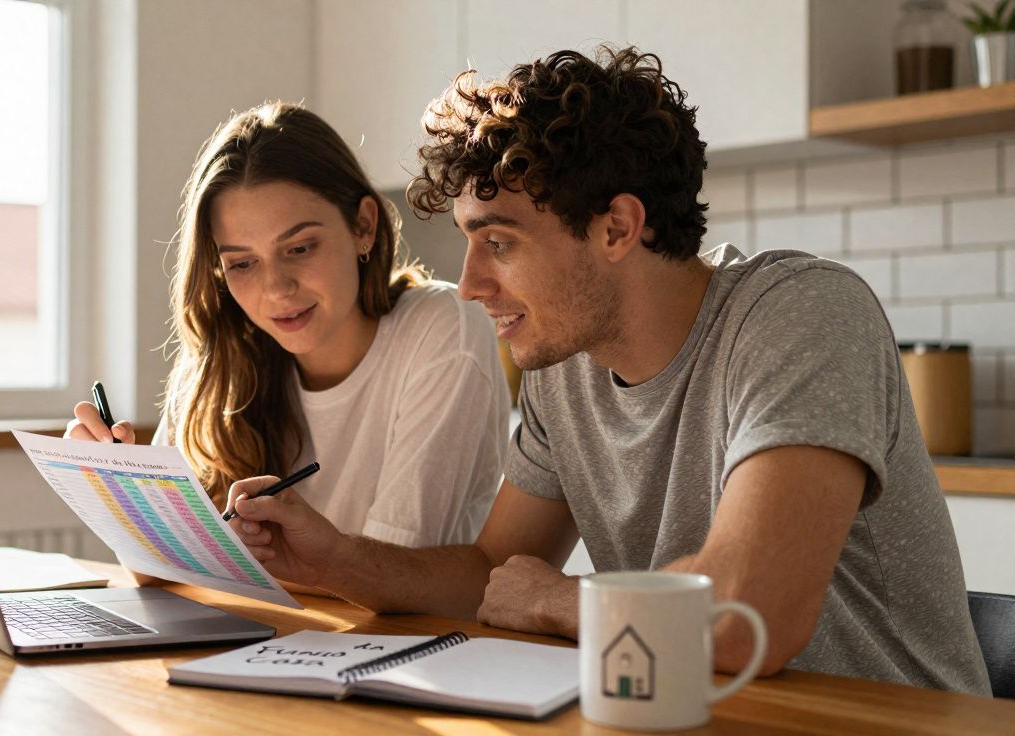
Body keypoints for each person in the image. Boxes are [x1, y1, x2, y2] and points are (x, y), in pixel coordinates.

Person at [223, 49, 992, 696]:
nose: (470, 285)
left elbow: (746, 616)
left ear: (618, 226)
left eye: (499, 243)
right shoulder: (566, 366)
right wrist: (331, 556)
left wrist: (560, 600)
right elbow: (491, 571)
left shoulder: (799, 314)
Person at [67, 102, 511, 551]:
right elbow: (152, 568)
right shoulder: (222, 357)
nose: (276, 289)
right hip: (262, 622)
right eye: (241, 263)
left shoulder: (441, 328)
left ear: (363, 226)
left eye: (299, 248)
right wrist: (115, 487)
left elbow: (395, 569)